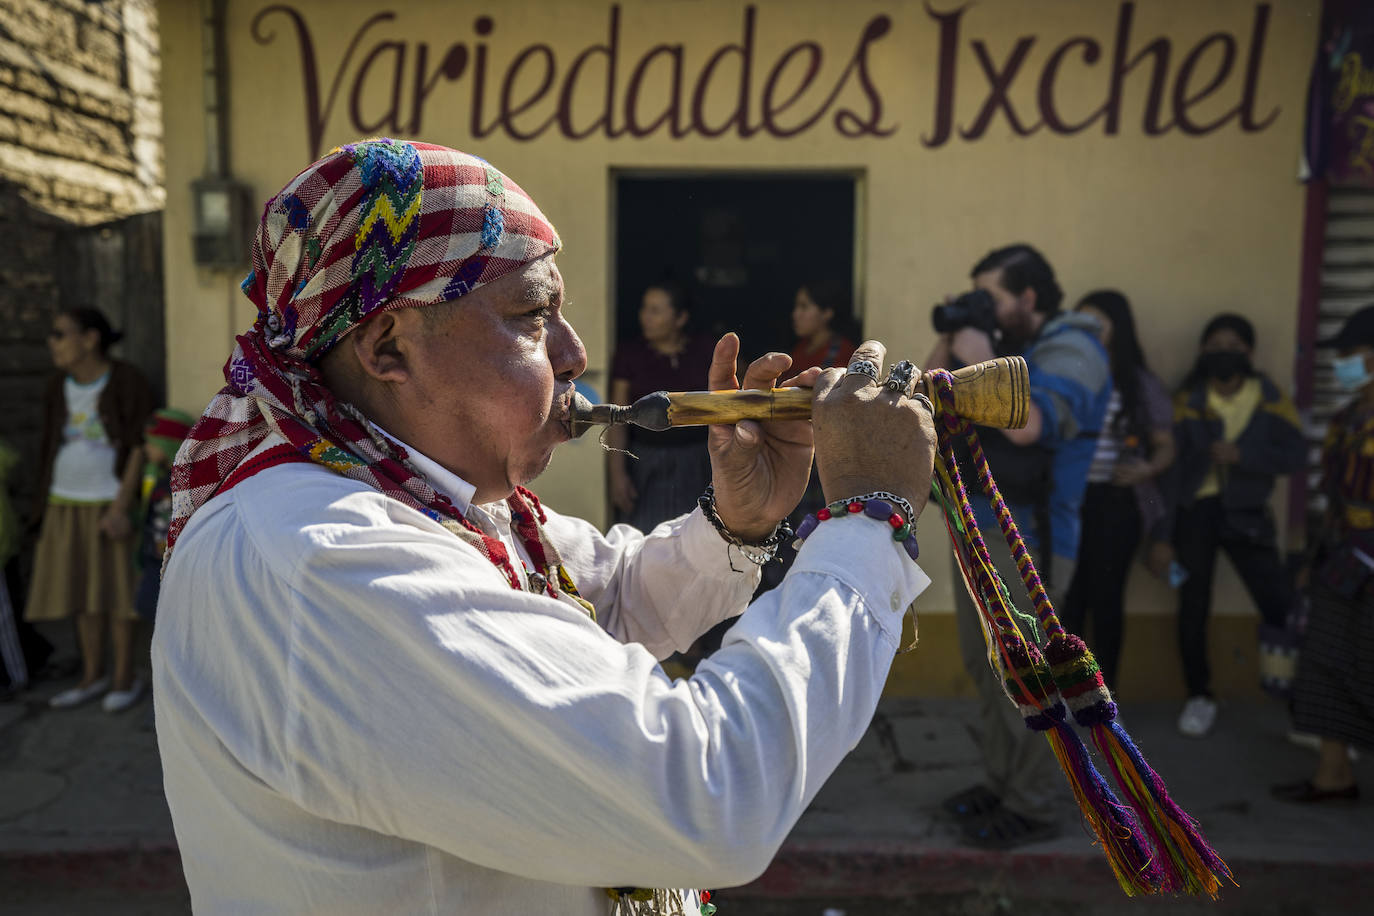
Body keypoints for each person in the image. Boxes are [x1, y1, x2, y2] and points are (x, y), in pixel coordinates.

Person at [152, 139, 938, 915]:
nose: (575, 353)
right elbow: (706, 792)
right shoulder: (324, 555)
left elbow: (608, 601)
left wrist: (736, 524)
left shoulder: (434, 501)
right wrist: (867, 520)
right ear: (389, 347)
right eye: (533, 316)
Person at [926, 243, 1111, 849]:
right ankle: (1002, 782)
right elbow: (924, 401)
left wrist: (979, 351)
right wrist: (952, 337)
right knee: (987, 669)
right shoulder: (1004, 344)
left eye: (993, 297)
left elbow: (1028, 425)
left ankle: (1033, 806)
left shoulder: (1074, 349)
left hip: (1030, 538)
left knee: (1027, 673)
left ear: (1029, 297)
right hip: (977, 524)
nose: (987, 308)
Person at [1151, 314, 1306, 739]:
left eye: (1234, 346)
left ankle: (1305, 704)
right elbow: (1170, 474)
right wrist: (1162, 535)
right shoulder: (1187, 400)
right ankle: (1199, 695)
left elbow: (1295, 455)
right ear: (1203, 351)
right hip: (1195, 515)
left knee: (1277, 602)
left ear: (1249, 353)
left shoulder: (1270, 398)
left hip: (1247, 512)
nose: (1224, 353)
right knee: (1192, 604)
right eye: (1215, 345)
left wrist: (1244, 456)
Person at [26, 307, 153, 712]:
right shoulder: (56, 386)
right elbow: (50, 443)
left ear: (90, 338)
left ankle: (124, 678)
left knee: (119, 594)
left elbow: (140, 446)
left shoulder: (127, 380)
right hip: (64, 501)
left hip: (110, 503)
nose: (53, 343)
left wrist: (121, 506)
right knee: (82, 593)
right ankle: (92, 676)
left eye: (60, 334)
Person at [1272, 305, 1374, 803]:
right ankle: (1334, 775)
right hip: (1344, 560)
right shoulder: (1348, 419)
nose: (1343, 363)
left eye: (1352, 352)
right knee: (1327, 662)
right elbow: (1332, 495)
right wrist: (1313, 560)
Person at [1060, 291, 1175, 691]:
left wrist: (1146, 468)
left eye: (1098, 322)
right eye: (1081, 322)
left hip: (1116, 504)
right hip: (1069, 503)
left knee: (1106, 600)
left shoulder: (1137, 382)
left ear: (1118, 328)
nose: (1088, 331)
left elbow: (1166, 444)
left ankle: (1106, 699)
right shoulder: (1067, 373)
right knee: (1068, 599)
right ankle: (1071, 695)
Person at [607, 282, 717, 533]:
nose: (645, 317)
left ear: (680, 318)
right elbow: (619, 420)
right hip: (646, 463)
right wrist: (617, 475)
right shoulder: (630, 355)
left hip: (698, 462)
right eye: (644, 309)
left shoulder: (704, 351)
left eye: (655, 311)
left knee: (699, 533)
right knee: (648, 535)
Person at [132, 409, 195, 620]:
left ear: (167, 444)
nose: (146, 448)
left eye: (151, 443)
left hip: (171, 567)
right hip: (155, 563)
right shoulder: (160, 478)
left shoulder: (180, 485)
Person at [789, 280, 856, 372]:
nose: (795, 314)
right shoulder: (800, 348)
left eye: (804, 306)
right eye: (796, 306)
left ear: (827, 313)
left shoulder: (844, 353)